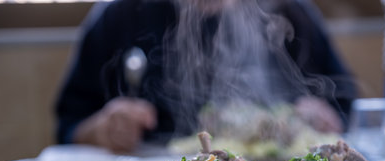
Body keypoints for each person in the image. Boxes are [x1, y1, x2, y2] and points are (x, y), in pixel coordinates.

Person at [56, 0, 357, 153]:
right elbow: (67, 128)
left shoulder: (289, 12)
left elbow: (346, 100)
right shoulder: (121, 15)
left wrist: (326, 114)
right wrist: (100, 130)